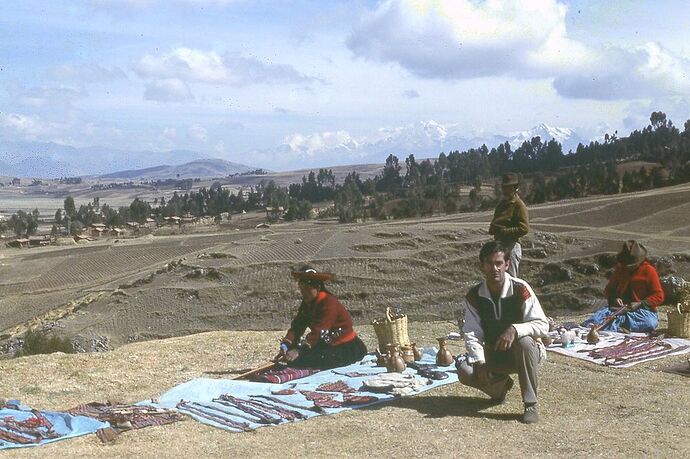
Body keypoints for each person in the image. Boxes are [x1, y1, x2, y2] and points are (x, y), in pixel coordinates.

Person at [456, 240, 548, 424]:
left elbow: (543, 325)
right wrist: (480, 361)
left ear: (507, 264)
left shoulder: (520, 289)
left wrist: (515, 329)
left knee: (526, 343)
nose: (494, 268)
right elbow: (473, 333)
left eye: (499, 263)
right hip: (494, 353)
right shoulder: (475, 296)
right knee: (465, 370)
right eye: (489, 263)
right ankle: (499, 388)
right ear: (482, 266)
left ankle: (530, 404)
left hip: (521, 355)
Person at [275, 266, 367, 370]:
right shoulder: (307, 303)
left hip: (344, 347)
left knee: (302, 361)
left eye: (307, 289)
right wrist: (286, 345)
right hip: (325, 344)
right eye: (301, 289)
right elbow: (298, 326)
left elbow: (320, 331)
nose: (303, 293)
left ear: (317, 288)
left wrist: (299, 351)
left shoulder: (329, 303)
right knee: (290, 358)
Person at [582, 240, 664, 333]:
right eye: (627, 265)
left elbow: (659, 296)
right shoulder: (620, 268)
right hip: (618, 309)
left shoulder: (649, 271)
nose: (629, 267)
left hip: (640, 311)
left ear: (640, 261)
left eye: (632, 265)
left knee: (650, 323)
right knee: (594, 321)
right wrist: (615, 298)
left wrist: (640, 303)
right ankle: (621, 326)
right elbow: (609, 290)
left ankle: (615, 326)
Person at [488, 172, 529, 277]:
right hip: (499, 246)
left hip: (511, 246)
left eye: (508, 187)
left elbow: (524, 228)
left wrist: (504, 231)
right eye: (504, 187)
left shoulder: (519, 205)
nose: (505, 190)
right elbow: (496, 221)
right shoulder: (501, 205)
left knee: (510, 281)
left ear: (515, 188)